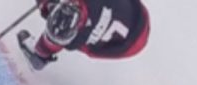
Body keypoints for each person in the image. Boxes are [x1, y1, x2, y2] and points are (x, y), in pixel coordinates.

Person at [17, 0, 150, 70]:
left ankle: (41, 53)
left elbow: (60, 24)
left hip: (129, 35)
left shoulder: (71, 25)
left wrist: (46, 4)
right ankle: (42, 53)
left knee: (63, 23)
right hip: (137, 20)